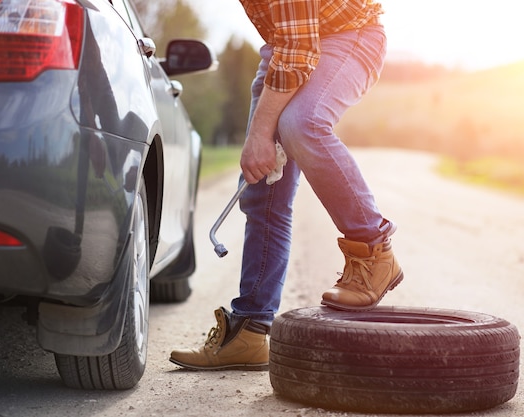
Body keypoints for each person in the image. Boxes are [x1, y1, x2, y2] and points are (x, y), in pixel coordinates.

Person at [169, 0, 403, 371]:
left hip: (347, 36)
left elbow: (300, 49)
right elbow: (290, 41)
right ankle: (249, 331)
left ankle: (374, 253)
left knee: (302, 124)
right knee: (263, 187)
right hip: (287, 45)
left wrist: (262, 132)